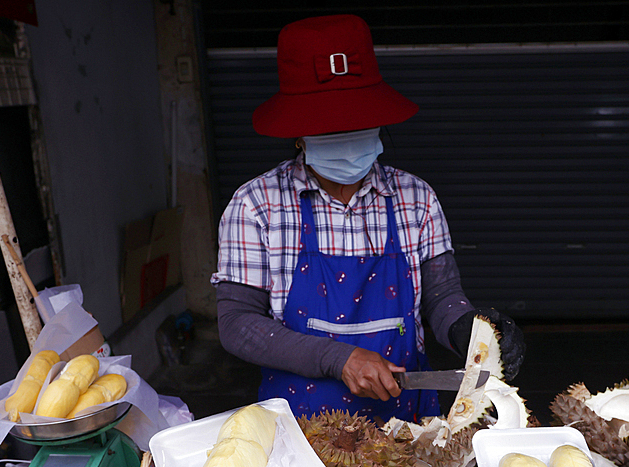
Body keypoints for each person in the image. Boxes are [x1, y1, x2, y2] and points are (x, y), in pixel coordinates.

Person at [213, 14, 524, 421]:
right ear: (298, 134)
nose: (345, 135)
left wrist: (475, 331)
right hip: (300, 430)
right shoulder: (256, 205)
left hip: (407, 424)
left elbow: (443, 299)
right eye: (329, 127)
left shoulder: (416, 198)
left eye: (357, 122)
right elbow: (238, 323)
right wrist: (337, 357)